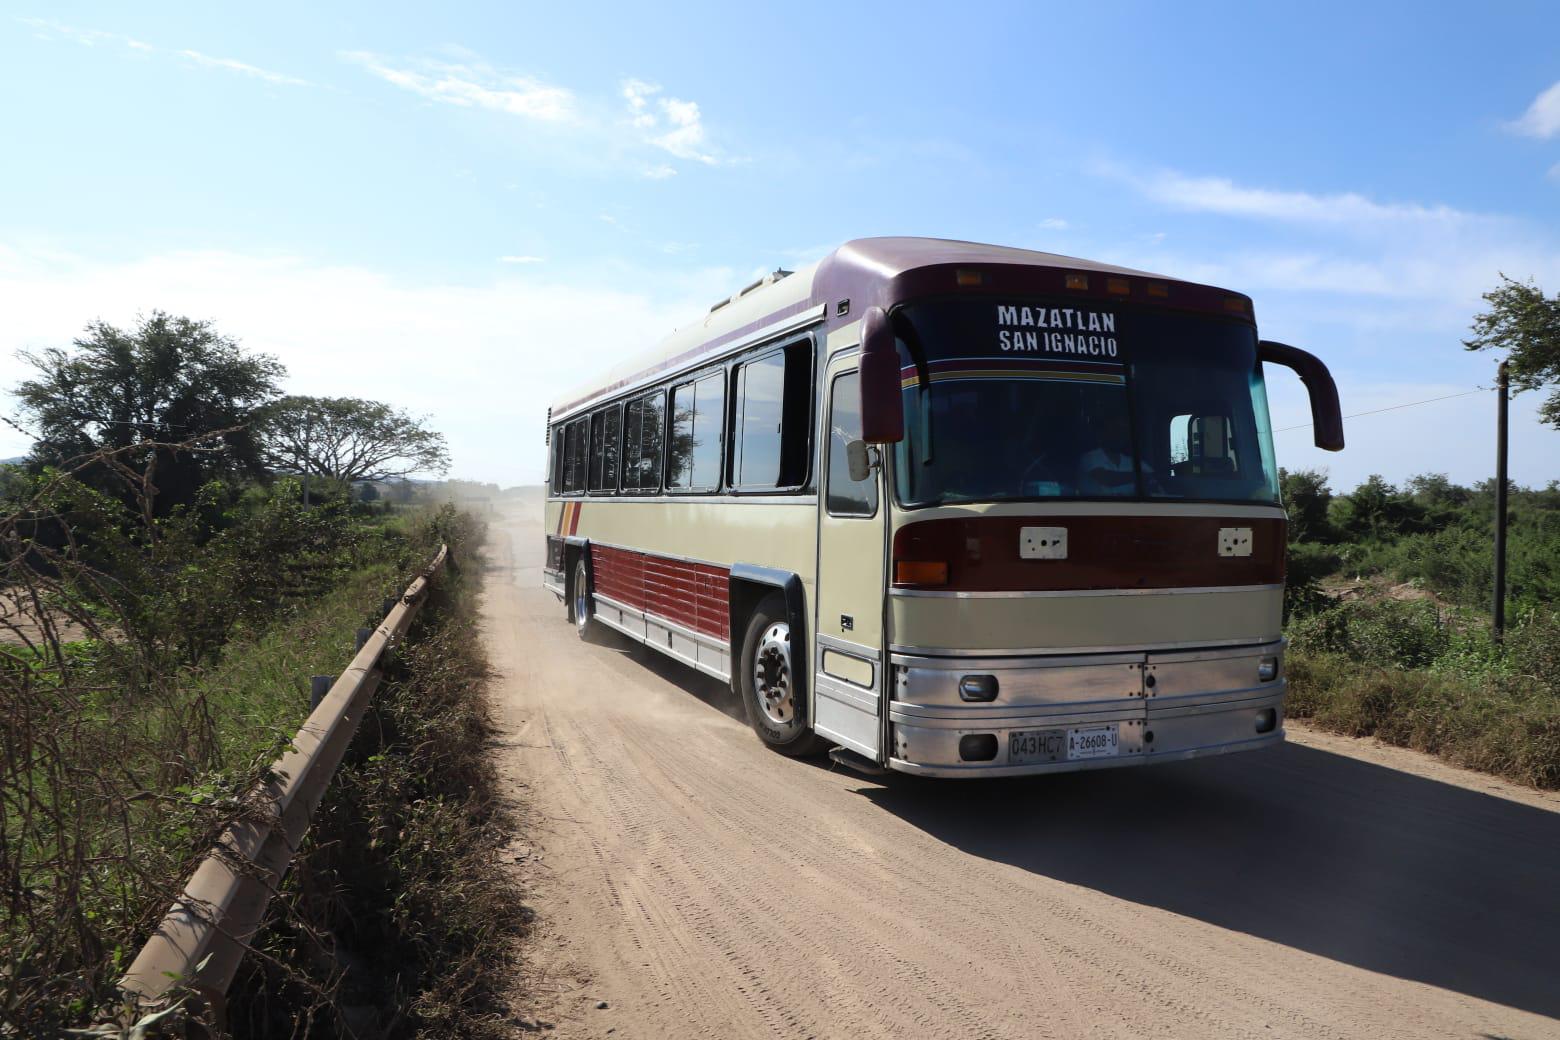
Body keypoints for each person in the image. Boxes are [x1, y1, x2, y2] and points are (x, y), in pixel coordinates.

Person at [1076, 409, 1140, 496]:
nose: (1119, 435)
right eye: (1115, 430)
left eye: (1123, 431)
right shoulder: (1090, 457)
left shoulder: (1136, 463)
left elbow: (1154, 482)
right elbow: (1106, 478)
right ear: (1102, 433)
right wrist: (1142, 476)